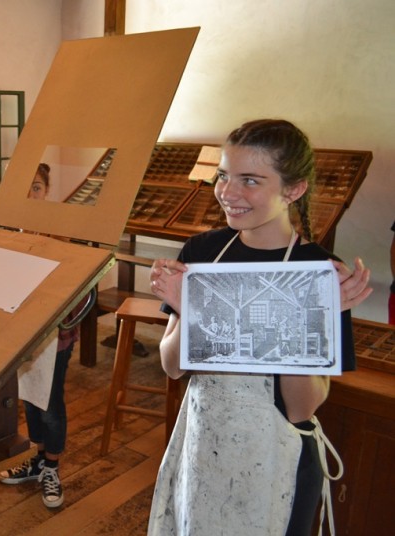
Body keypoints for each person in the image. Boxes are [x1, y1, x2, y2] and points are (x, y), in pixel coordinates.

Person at [146, 119, 372, 535]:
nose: (228, 193)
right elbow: (172, 366)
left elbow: (302, 408)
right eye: (224, 176)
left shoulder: (318, 273)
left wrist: (302, 317)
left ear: (294, 189)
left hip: (276, 455)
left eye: (250, 180)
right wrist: (189, 309)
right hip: (204, 443)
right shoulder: (203, 252)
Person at [0, 163, 83, 509]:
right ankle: (37, 459)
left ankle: (52, 468)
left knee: (50, 401)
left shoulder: (60, 234)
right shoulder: (8, 233)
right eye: (22, 187)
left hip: (55, 332)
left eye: (35, 187)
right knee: (30, 396)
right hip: (22, 333)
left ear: (45, 191)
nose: (29, 194)